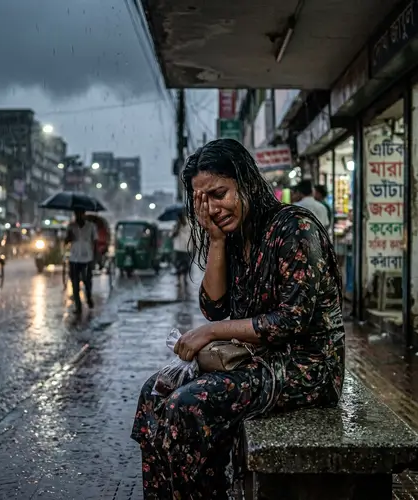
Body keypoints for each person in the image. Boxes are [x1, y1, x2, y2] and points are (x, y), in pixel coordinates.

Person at [131, 139, 345, 499]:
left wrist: (210, 333)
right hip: (256, 360)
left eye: (220, 193)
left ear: (246, 183)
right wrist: (215, 240)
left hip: (307, 368)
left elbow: (290, 321)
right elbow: (213, 306)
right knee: (155, 393)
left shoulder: (294, 228)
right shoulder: (233, 236)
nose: (214, 208)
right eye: (204, 200)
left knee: (189, 407)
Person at [65, 209, 98, 313]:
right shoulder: (71, 226)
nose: (78, 216)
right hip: (74, 257)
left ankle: (88, 298)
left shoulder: (91, 226)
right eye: (76, 214)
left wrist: (96, 257)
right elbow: (66, 241)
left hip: (87, 257)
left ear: (84, 214)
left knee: (87, 281)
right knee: (74, 283)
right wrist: (69, 236)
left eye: (80, 214)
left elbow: (95, 241)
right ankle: (78, 306)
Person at [171, 211, 192, 284]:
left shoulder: (189, 224)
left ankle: (185, 279)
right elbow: (172, 235)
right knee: (178, 265)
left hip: (187, 248)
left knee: (186, 265)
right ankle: (178, 280)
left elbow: (193, 236)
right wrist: (177, 229)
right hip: (178, 248)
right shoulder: (176, 225)